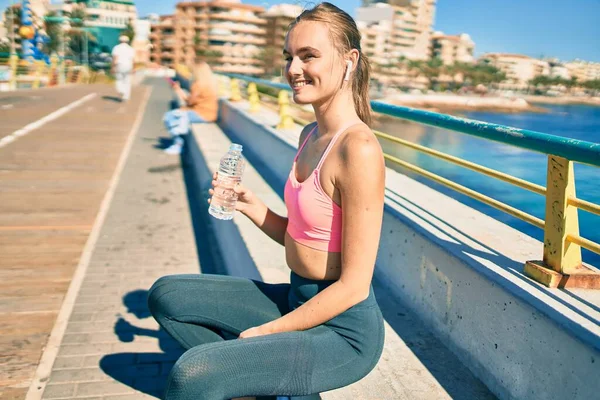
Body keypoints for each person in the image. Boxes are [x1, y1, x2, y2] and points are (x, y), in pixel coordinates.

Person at [147, 3, 385, 399]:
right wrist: (252, 206)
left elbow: (355, 286)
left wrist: (265, 333)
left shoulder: (357, 148)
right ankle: (261, 378)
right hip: (296, 297)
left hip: (342, 330)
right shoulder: (309, 134)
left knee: (192, 375)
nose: (293, 69)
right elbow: (305, 238)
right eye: (289, 56)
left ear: (349, 60)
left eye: (309, 56)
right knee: (166, 295)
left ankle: (252, 374)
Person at [162, 62, 218, 155]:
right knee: (179, 114)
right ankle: (178, 143)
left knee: (170, 116)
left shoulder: (198, 85)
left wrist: (178, 90)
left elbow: (189, 102)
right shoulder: (212, 84)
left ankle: (178, 144)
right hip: (211, 114)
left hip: (201, 114)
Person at [111, 35, 135, 102]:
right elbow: (133, 59)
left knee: (119, 80)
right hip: (128, 66)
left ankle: (121, 90)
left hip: (119, 65)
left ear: (119, 41)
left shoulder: (116, 48)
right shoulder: (131, 49)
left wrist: (112, 67)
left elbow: (115, 58)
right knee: (127, 81)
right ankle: (126, 97)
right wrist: (133, 68)